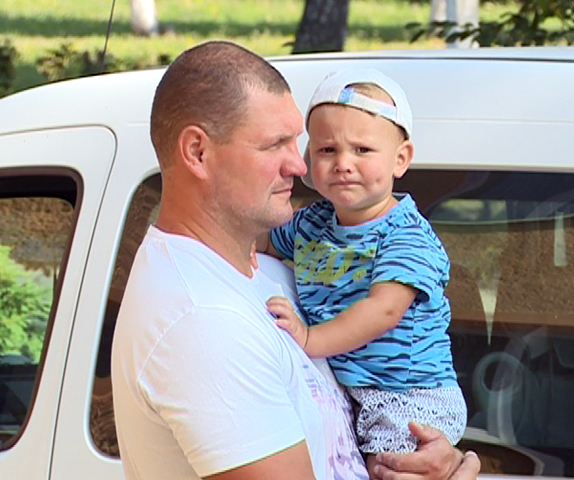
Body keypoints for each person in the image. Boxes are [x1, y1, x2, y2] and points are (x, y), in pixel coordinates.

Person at [111, 40, 480, 480]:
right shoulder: (202, 319)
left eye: (296, 143)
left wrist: (439, 461)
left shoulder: (274, 270)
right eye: (276, 145)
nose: (299, 166)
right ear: (198, 152)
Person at [258, 69, 467, 468]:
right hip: (356, 392)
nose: (343, 164)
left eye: (362, 150)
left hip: (408, 396)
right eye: (327, 150)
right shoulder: (311, 224)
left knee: (388, 470)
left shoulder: (406, 235)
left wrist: (310, 339)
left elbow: (383, 309)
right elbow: (261, 241)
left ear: (400, 159)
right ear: (308, 158)